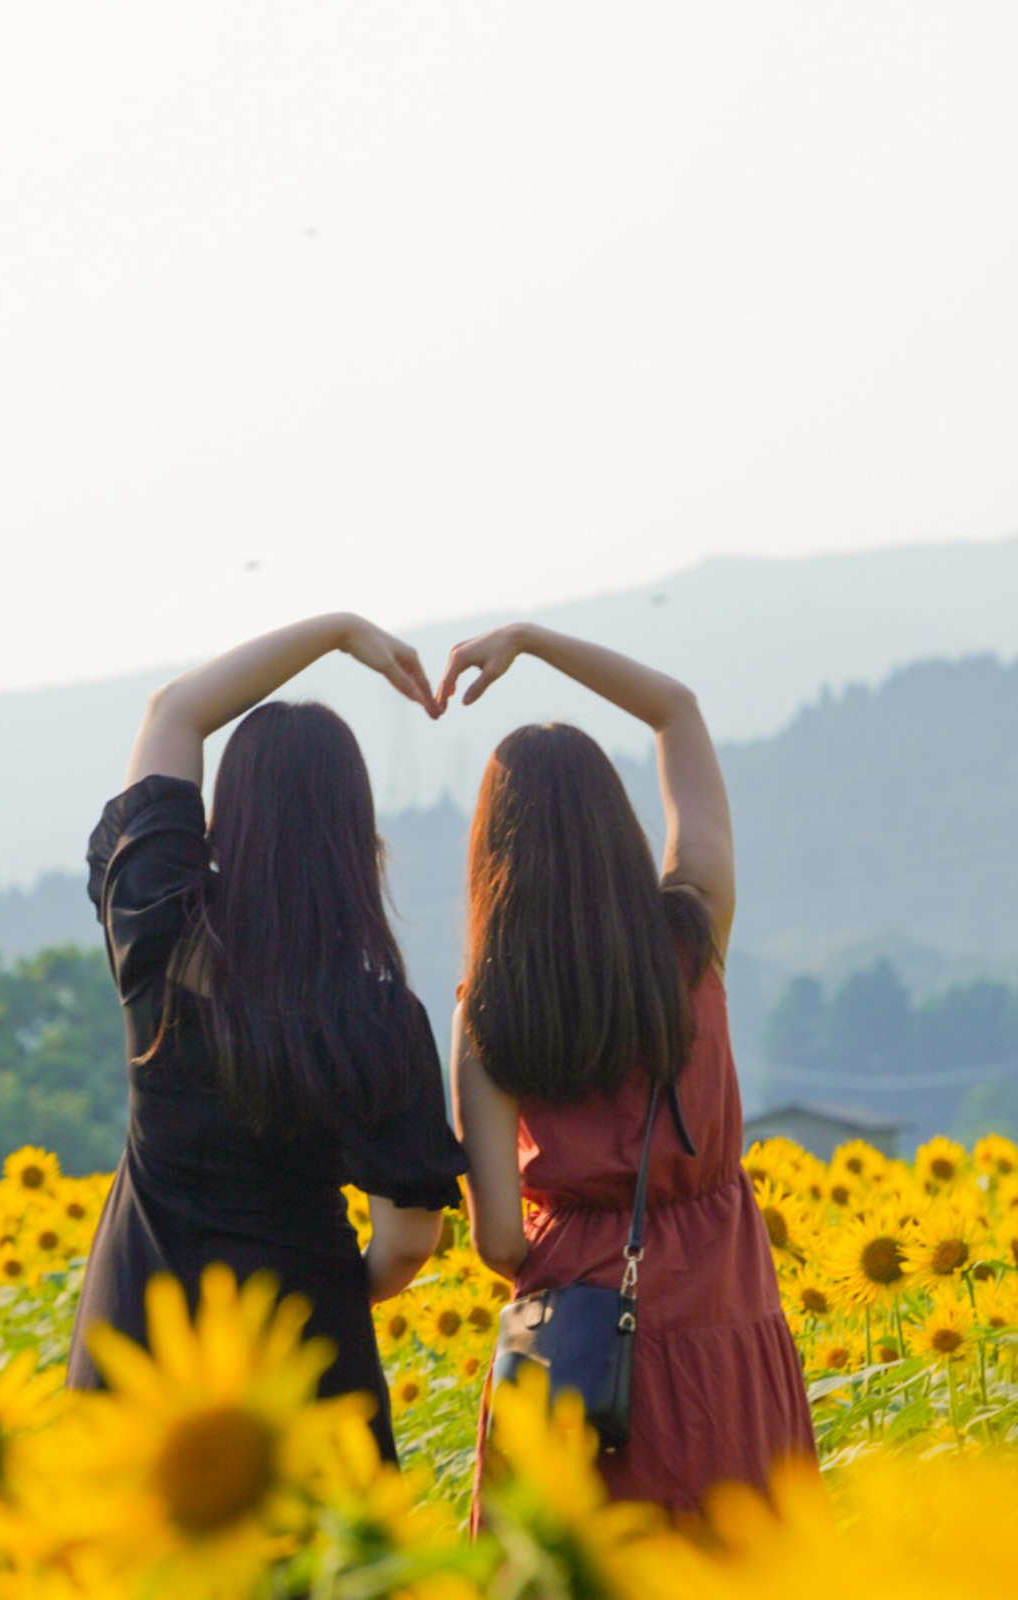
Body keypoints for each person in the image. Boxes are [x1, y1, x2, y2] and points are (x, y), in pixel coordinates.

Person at [66, 612, 469, 1462]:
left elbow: (175, 712)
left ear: (221, 821)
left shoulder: (158, 940)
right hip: (308, 1362)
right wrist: (327, 1284)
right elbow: (405, 1242)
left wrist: (334, 633)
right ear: (356, 839)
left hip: (141, 1346)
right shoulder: (380, 1017)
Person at [437, 622, 816, 1519]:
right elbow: (675, 710)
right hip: (723, 1303)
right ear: (616, 829)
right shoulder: (693, 933)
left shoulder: (484, 1011)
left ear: (495, 861)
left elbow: (496, 1241)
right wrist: (529, 641)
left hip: (578, 1351)